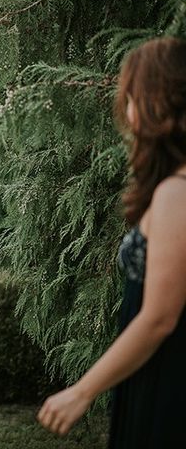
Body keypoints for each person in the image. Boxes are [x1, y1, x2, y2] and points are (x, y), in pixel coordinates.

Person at [37, 37, 186, 447]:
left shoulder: (178, 192)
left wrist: (82, 391)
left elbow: (160, 317)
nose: (129, 111)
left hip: (169, 378)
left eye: (134, 98)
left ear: (161, 103)